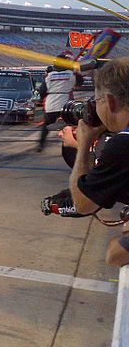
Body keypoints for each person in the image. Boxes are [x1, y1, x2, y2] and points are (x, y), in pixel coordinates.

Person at [67, 58, 129, 266]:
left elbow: (83, 204)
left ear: (110, 102)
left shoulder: (123, 145)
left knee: (114, 252)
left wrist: (83, 144)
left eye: (96, 102)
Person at [38, 55, 83, 151]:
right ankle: (74, 144)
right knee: (71, 124)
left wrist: (40, 99)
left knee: (46, 125)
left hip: (51, 103)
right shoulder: (71, 74)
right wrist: (77, 73)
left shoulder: (49, 76)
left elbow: (42, 90)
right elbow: (79, 83)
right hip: (65, 104)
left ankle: (41, 145)